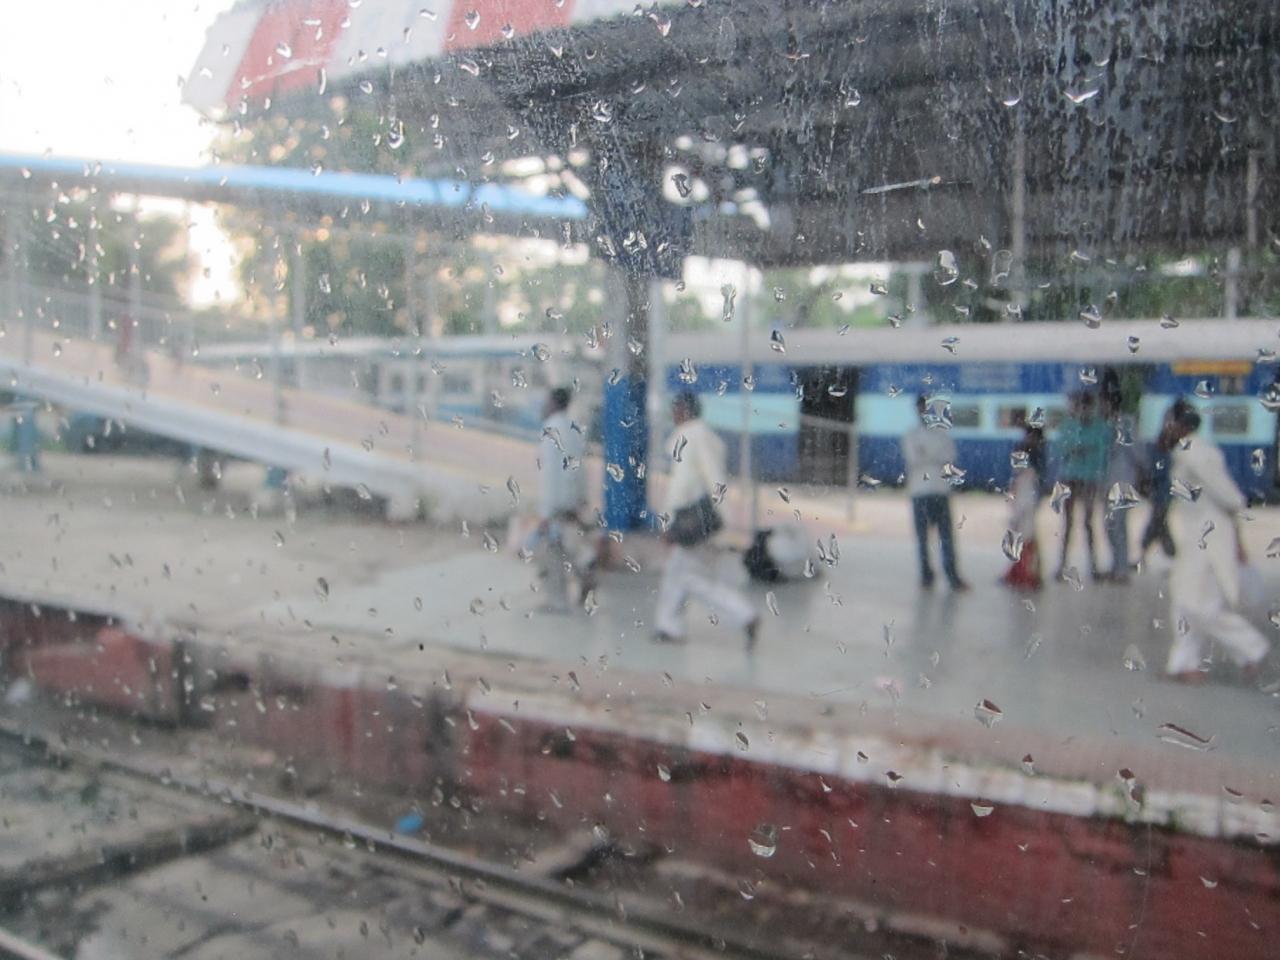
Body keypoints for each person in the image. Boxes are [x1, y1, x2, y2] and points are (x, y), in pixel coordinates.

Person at [1164, 405, 1269, 682]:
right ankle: (1183, 664)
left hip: (1209, 538)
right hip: (1195, 537)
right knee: (1184, 599)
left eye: (1170, 422)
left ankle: (1252, 647)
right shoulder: (1186, 452)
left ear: (1183, 425)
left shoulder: (1196, 453)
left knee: (1198, 603)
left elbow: (1228, 496)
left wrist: (1236, 538)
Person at [654, 392, 759, 647]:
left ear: (684, 410)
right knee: (676, 574)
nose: (672, 414)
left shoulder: (689, 437)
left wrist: (668, 524)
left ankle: (744, 614)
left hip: (690, 520)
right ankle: (669, 626)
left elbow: (682, 487)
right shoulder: (708, 436)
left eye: (675, 409)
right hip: (704, 519)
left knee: (690, 577)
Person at [534, 387, 596, 613]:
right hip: (572, 499)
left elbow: (550, 474)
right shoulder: (573, 429)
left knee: (552, 552)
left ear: (553, 403)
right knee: (564, 543)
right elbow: (580, 467)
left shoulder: (550, 429)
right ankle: (585, 565)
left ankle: (559, 598)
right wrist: (581, 499)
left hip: (556, 501)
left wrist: (545, 512)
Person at [902, 395, 968, 590]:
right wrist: (934, 456)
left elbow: (949, 456)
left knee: (946, 536)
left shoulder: (940, 433)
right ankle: (927, 575)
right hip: (921, 491)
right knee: (923, 538)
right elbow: (914, 458)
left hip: (939, 490)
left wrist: (926, 453)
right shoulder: (912, 435)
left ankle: (951, 574)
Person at [1052, 391, 1110, 581]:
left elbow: (1103, 450)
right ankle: (1062, 565)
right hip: (1070, 478)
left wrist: (1078, 448)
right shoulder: (1069, 425)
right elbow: (1059, 448)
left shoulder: (1099, 427)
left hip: (1089, 479)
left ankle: (1093, 565)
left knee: (1088, 523)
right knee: (1068, 523)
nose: (1082, 411)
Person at [1139, 398, 1188, 564]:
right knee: (1159, 521)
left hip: (1162, 486)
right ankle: (1170, 554)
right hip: (1164, 486)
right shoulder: (1174, 438)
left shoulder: (1165, 436)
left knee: (1157, 521)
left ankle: (1163, 553)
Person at [1101, 396, 1142, 582]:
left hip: (1123, 481)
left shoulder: (1126, 423)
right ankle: (1117, 565)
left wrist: (1142, 472)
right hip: (1108, 482)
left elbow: (1136, 451)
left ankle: (1122, 569)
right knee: (1110, 526)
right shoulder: (1105, 424)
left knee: (1118, 526)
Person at [1001, 424, 1046, 591]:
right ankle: (1025, 570)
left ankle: (1027, 572)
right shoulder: (1035, 458)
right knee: (1027, 535)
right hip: (1025, 501)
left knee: (1026, 536)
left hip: (1026, 502)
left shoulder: (1031, 464)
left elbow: (1024, 484)